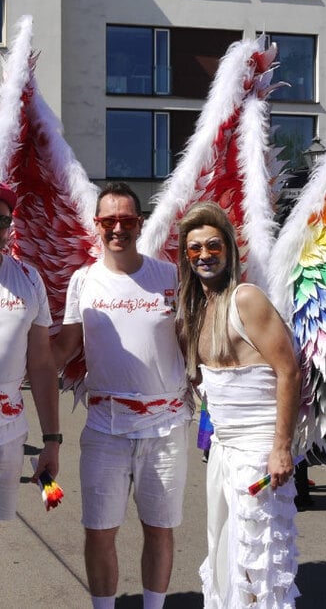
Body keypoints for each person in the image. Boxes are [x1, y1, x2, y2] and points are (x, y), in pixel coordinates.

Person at [54, 182, 190, 609]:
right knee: (98, 530)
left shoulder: (169, 276)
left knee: (159, 528)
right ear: (96, 225)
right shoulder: (83, 281)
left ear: (139, 224)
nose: (118, 228)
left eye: (126, 220)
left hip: (166, 427)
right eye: (109, 221)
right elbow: (63, 348)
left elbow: (198, 342)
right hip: (105, 427)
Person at [176, 201, 300, 607]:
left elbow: (289, 370)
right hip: (224, 449)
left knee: (257, 559)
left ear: (228, 249)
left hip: (258, 451)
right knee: (223, 552)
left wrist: (281, 448)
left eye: (213, 245)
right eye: (194, 248)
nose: (204, 255)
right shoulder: (198, 307)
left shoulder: (246, 298)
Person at [0, 183, 61, 520]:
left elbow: (40, 364)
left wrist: (52, 439)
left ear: (9, 227)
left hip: (8, 432)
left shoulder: (27, 277)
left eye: (1, 220)